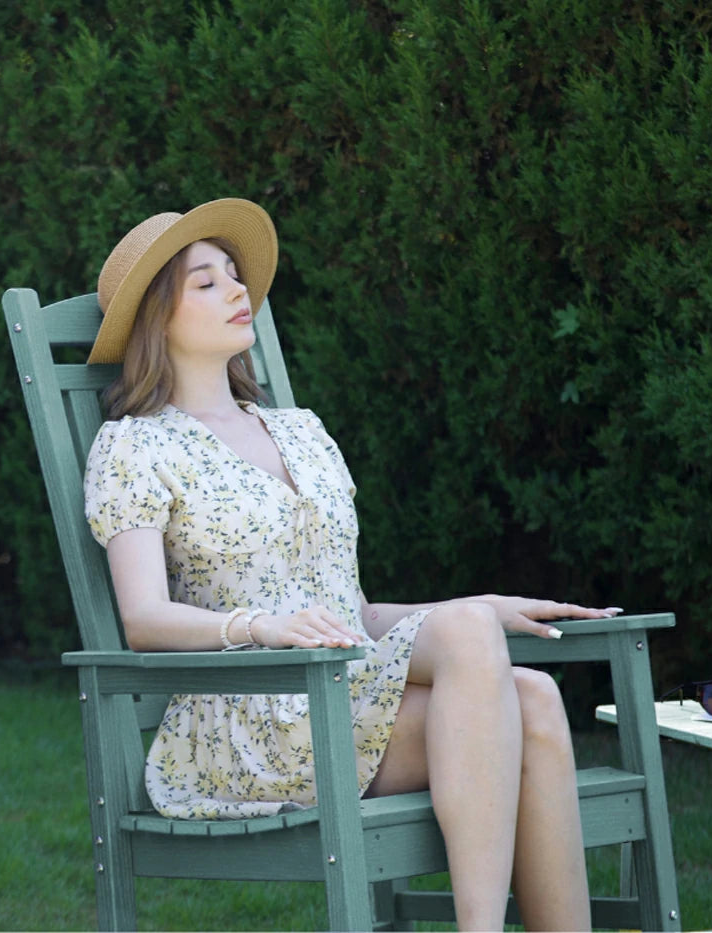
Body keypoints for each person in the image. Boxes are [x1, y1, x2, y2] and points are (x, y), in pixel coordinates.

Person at [82, 198, 617, 932]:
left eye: (236, 275)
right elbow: (143, 619)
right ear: (157, 317)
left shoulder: (302, 431)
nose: (239, 291)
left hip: (342, 691)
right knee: (519, 693)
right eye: (206, 282)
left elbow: (354, 612)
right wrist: (259, 627)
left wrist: (481, 607)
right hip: (248, 718)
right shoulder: (137, 446)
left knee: (535, 698)